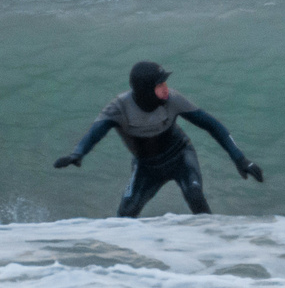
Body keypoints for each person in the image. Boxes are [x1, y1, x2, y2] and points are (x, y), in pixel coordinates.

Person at [55, 60, 264, 217]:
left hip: (181, 156)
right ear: (146, 90)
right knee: (124, 216)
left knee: (195, 195)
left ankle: (213, 253)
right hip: (147, 167)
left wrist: (239, 158)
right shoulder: (119, 108)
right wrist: (78, 153)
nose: (166, 88)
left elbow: (212, 125)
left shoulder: (173, 99)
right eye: (159, 85)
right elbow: (96, 132)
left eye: (165, 82)